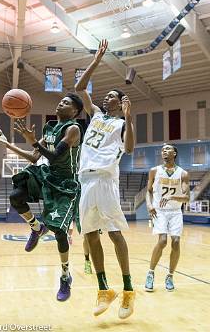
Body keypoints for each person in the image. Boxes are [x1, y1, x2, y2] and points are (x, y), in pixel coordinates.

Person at [0, 93, 83, 302]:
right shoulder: (49, 128)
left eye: (67, 103)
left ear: (75, 112)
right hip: (48, 177)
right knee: (16, 196)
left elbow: (55, 155)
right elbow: (35, 157)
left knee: (59, 231)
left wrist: (33, 141)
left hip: (65, 185)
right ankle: (35, 227)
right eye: (61, 101)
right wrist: (8, 144)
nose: (61, 103)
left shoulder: (73, 129)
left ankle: (65, 276)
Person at [75, 39, 135, 319]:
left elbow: (131, 148)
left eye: (111, 95)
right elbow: (79, 89)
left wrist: (129, 118)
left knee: (114, 233)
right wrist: (96, 61)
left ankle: (128, 290)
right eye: (106, 95)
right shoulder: (96, 114)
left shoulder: (122, 122)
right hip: (85, 181)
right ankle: (103, 289)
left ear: (120, 101)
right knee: (89, 234)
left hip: (105, 180)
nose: (105, 98)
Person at [145, 144, 190, 292]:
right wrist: (149, 205)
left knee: (176, 242)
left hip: (176, 211)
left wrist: (172, 196)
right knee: (163, 240)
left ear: (175, 153)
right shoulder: (154, 171)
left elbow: (186, 197)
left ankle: (170, 276)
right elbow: (148, 191)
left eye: (168, 149)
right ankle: (150, 273)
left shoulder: (183, 174)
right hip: (159, 211)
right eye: (163, 150)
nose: (164, 151)